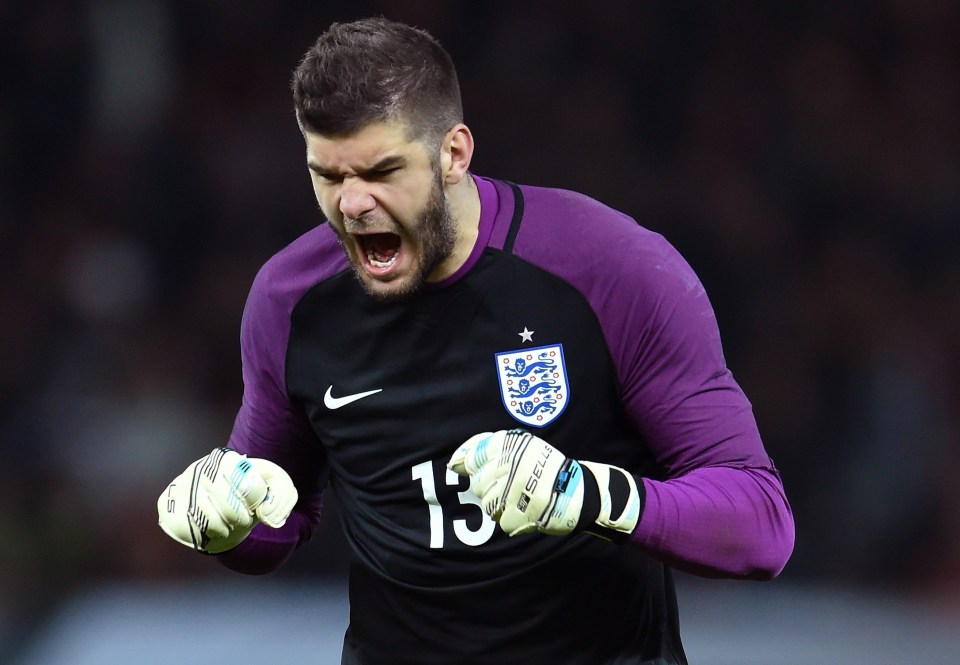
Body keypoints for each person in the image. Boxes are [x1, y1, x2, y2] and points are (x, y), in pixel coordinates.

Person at [157, 16, 794, 665]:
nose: (352, 204)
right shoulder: (289, 300)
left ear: (454, 154)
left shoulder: (612, 269)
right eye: (329, 175)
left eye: (382, 171)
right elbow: (276, 519)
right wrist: (227, 521)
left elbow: (760, 525)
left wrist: (586, 495)